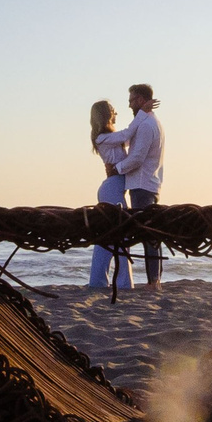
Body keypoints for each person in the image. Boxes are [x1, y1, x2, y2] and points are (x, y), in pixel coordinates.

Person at [116, 83, 165, 286]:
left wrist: (116, 168)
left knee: (148, 235)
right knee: (150, 234)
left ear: (142, 100)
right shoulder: (146, 121)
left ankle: (154, 281)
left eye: (132, 100)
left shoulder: (146, 125)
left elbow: (137, 157)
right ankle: (155, 280)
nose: (129, 105)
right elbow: (128, 136)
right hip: (147, 183)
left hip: (143, 184)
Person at [87, 100, 132, 291]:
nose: (116, 113)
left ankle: (99, 281)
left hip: (114, 187)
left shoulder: (110, 137)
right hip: (112, 188)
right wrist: (143, 115)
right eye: (113, 111)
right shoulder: (103, 137)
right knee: (121, 236)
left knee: (108, 237)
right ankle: (121, 283)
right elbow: (128, 134)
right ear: (106, 114)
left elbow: (128, 138)